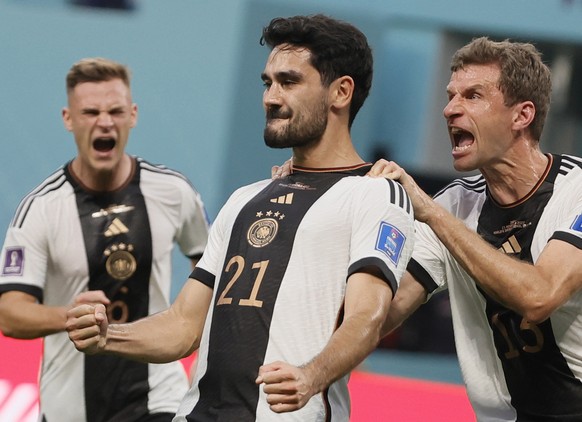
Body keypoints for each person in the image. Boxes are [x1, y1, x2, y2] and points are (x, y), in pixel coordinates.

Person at [66, 14, 415, 421]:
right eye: (267, 83)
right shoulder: (244, 199)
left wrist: (310, 375)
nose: (270, 97)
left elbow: (366, 319)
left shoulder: (376, 192)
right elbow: (184, 325)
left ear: (341, 92)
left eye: (289, 82)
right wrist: (108, 335)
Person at [367, 37, 582, 421]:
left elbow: (540, 296)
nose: (450, 109)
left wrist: (432, 214)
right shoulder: (454, 204)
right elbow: (381, 315)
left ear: (522, 115)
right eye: (451, 96)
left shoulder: (577, 189)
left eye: (473, 96)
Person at [0, 58, 210, 422]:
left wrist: (203, 346)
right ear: (69, 119)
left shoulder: (174, 191)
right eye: (91, 111)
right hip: (71, 407)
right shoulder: (39, 208)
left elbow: (211, 267)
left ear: (133, 115)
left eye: (115, 110)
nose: (104, 121)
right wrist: (71, 316)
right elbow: (9, 312)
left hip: (159, 395)